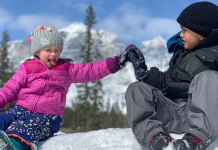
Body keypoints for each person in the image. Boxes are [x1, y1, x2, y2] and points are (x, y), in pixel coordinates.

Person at [0, 24, 135, 150]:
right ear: (37, 52)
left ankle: (13, 145)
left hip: (46, 117)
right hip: (20, 110)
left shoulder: (66, 70)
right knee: (3, 118)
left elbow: (91, 70)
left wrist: (117, 63)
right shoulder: (27, 68)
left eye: (57, 50)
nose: (53, 54)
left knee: (24, 127)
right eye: (48, 50)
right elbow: (9, 89)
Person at [125, 1, 218, 150]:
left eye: (185, 30)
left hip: (200, 115)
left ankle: (196, 139)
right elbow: (167, 82)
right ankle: (155, 138)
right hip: (171, 113)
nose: (180, 34)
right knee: (135, 89)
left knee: (208, 78)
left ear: (201, 33)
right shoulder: (180, 52)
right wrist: (145, 74)